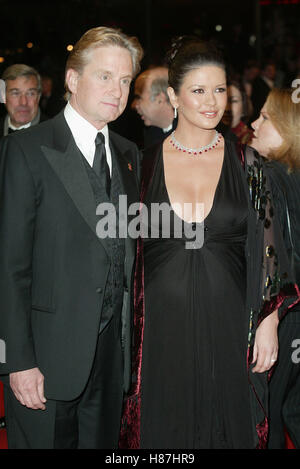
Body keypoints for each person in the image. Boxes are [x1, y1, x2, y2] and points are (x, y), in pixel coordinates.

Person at [119, 37, 299, 450]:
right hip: (160, 329)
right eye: (198, 90)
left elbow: (272, 251)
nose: (211, 101)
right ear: (174, 97)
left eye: (219, 89)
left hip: (229, 325)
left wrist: (270, 319)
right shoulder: (141, 166)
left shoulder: (250, 164)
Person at [0, 26, 143, 449]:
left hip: (109, 357)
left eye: (125, 80)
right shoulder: (27, 150)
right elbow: (10, 267)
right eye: (104, 76)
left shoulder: (128, 154)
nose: (117, 90)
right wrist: (18, 362)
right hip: (44, 361)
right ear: (72, 80)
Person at [250, 87, 300, 449]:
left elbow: (271, 254)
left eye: (266, 117)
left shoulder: (266, 175)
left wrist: (269, 317)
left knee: (267, 414)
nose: (254, 123)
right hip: (292, 315)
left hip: (281, 315)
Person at [132, 66, 176, 148]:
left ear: (160, 99)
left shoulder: (191, 132)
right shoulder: (151, 136)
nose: (135, 105)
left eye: (139, 98)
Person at [0, 64, 48, 137]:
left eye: (30, 94)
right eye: (15, 93)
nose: (23, 102)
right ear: (3, 97)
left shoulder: (55, 134)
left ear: (39, 97)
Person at [221, 78, 254, 145]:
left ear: (244, 106)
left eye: (233, 101)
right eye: (223, 101)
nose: (227, 108)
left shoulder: (250, 140)